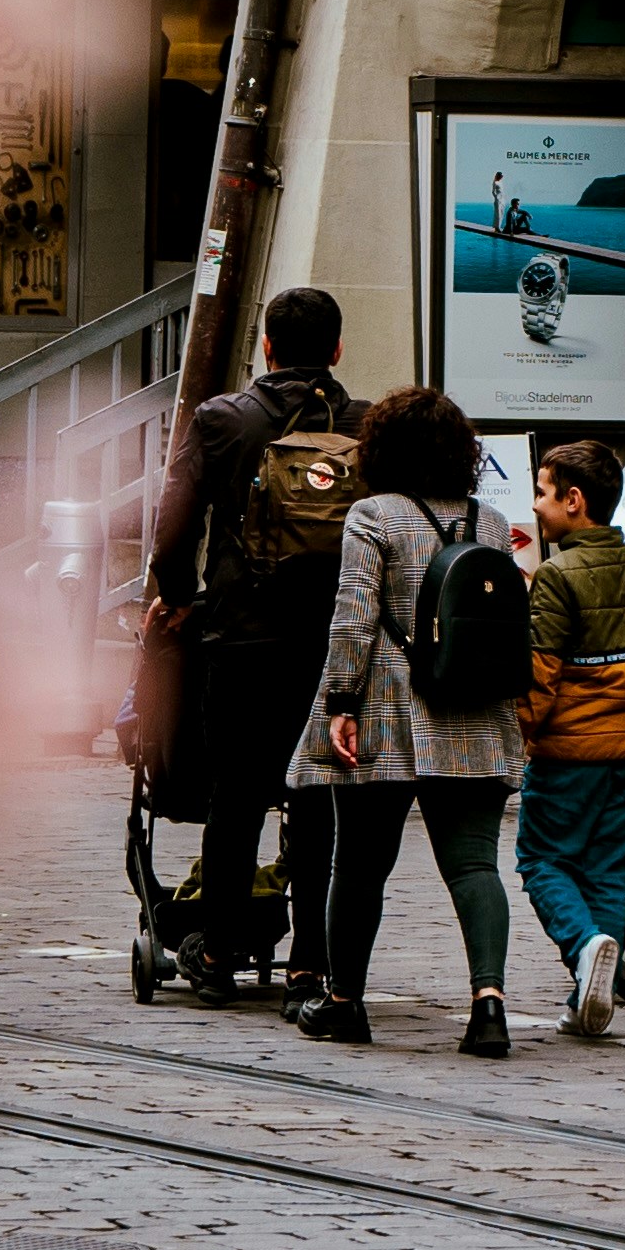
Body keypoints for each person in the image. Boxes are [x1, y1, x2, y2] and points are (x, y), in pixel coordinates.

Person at [145, 291, 362, 1004]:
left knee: (235, 796)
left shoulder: (223, 420)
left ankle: (219, 952)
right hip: (333, 640)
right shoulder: (365, 427)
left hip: (241, 634)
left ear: (267, 347)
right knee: (318, 801)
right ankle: (309, 964)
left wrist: (178, 594)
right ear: (337, 349)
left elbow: (176, 522)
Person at [295, 388, 523, 1054]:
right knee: (476, 864)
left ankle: (344, 1002)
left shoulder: (373, 516)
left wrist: (341, 704)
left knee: (359, 864)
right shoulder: (489, 522)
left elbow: (353, 618)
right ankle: (488, 1006)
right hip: (473, 709)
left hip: (388, 709)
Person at [512, 435, 625, 1039]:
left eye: (542, 493)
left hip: (571, 752)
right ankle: (592, 1000)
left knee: (542, 859)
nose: (535, 506)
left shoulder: (557, 576)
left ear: (574, 500)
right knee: (609, 870)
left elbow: (539, 675)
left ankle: (585, 947)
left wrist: (523, 735)